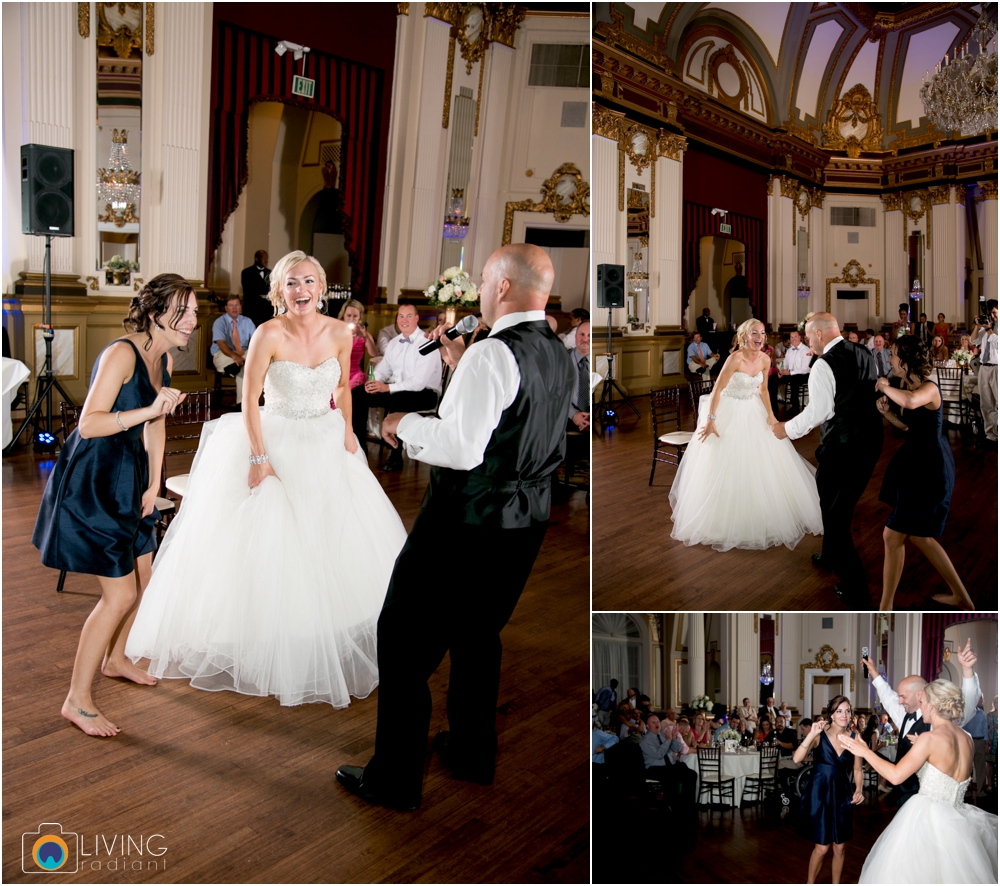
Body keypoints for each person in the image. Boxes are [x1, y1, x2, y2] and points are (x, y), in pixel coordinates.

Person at [335, 243, 576, 811]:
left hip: (466, 520)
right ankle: (471, 751)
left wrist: (402, 422)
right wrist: (458, 370)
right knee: (478, 633)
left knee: (401, 642)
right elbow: (517, 423)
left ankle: (393, 779)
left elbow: (463, 446)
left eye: (484, 284)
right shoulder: (558, 351)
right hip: (527, 521)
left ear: (501, 288)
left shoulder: (494, 355)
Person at [125, 251, 408, 708]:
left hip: (326, 437)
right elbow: (249, 398)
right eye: (292, 283)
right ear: (280, 290)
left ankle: (320, 630)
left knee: (333, 533)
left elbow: (341, 389)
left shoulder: (341, 331)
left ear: (322, 287)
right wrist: (258, 456)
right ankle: (271, 635)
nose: (302, 290)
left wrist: (350, 433)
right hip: (273, 440)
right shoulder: (268, 333)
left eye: (310, 281)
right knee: (273, 539)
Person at [33, 274, 195, 736]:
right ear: (155, 310)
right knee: (120, 594)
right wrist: (148, 411)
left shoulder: (161, 355)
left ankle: (116, 659)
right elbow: (89, 425)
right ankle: (76, 701)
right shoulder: (121, 353)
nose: (192, 322)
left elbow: (157, 426)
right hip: (95, 478)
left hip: (130, 478)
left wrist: (153, 482)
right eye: (183, 312)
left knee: (144, 576)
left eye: (195, 314)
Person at [670, 318, 823, 551]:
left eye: (762, 333)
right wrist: (711, 420)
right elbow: (718, 390)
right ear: (744, 336)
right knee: (729, 461)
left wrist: (771, 416)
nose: (759, 337)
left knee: (763, 459)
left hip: (753, 410)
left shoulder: (764, 358)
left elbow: (762, 389)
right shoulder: (735, 358)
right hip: (729, 410)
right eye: (754, 332)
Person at [838, 679, 998, 883]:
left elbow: (895, 776)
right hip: (959, 819)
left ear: (932, 705)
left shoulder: (929, 739)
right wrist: (922, 746)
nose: (921, 709)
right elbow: (945, 765)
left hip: (929, 819)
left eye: (922, 703)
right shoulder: (965, 737)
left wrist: (865, 752)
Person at [773, 313, 882, 603]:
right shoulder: (863, 351)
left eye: (808, 337)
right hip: (870, 441)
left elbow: (818, 412)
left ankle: (855, 587)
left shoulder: (823, 364)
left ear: (820, 334)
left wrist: (787, 429)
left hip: (844, 446)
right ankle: (830, 554)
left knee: (835, 516)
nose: (808, 342)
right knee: (827, 495)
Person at [874, 336, 973, 611]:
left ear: (906, 361)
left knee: (893, 536)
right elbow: (909, 427)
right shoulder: (907, 384)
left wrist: (884, 385)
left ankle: (885, 607)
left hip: (931, 467)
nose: (891, 360)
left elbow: (911, 401)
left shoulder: (928, 388)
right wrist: (888, 415)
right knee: (917, 536)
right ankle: (962, 598)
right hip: (915, 462)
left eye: (894, 355)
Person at [862, 639, 982, 808]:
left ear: (919, 695)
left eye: (903, 696)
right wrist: (873, 671)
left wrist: (967, 670)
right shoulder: (904, 713)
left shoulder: (942, 720)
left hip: (927, 804)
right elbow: (886, 695)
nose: (899, 701)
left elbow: (967, 703)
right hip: (904, 798)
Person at [793, 696, 864, 884]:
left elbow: (857, 769)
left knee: (840, 848)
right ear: (831, 714)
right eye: (839, 711)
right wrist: (811, 734)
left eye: (848, 710)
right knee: (822, 848)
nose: (844, 714)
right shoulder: (819, 734)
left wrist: (859, 788)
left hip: (842, 795)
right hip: (820, 794)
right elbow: (797, 759)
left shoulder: (855, 737)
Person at [364, 301, 442, 471]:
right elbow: (383, 369)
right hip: (399, 390)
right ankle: (359, 447)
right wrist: (373, 382)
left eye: (408, 316)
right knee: (358, 395)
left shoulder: (426, 342)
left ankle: (396, 455)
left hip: (425, 394)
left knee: (398, 399)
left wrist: (387, 388)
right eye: (401, 316)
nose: (404, 320)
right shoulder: (394, 343)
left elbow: (418, 383)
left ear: (416, 319)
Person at [337, 298, 379, 449]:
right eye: (349, 315)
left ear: (360, 317)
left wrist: (366, 337)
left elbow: (374, 353)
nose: (352, 319)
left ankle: (357, 444)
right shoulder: (337, 332)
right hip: (339, 374)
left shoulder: (363, 335)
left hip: (355, 374)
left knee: (353, 401)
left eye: (355, 316)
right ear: (343, 316)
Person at [639, 713, 698, 807]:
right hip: (654, 768)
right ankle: (673, 806)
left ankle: (686, 804)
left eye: (658, 721)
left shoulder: (663, 735)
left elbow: (677, 749)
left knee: (691, 774)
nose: (657, 724)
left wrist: (674, 738)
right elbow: (659, 755)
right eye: (653, 722)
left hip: (669, 766)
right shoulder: (645, 740)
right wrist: (668, 740)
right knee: (672, 777)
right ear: (647, 726)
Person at [211, 295, 256, 407]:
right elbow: (221, 344)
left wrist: (245, 356)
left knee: (248, 360)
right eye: (231, 305)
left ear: (240, 307)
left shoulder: (247, 321)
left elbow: (256, 341)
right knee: (246, 367)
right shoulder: (219, 322)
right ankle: (243, 403)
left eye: (237, 305)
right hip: (223, 354)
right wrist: (235, 356)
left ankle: (242, 403)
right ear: (226, 308)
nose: (234, 308)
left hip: (243, 354)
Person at [973, 300, 998, 445]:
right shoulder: (986, 326)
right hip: (984, 367)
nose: (992, 317)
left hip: (997, 367)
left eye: (994, 313)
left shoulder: (995, 328)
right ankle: (991, 435)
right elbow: (974, 341)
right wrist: (978, 326)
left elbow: (997, 344)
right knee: (986, 403)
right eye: (990, 314)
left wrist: (989, 329)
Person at [778, 330, 812, 416]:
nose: (793, 339)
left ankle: (795, 407)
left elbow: (806, 369)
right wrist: (782, 371)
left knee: (794, 380)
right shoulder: (789, 351)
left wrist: (790, 373)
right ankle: (773, 405)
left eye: (795, 336)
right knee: (773, 379)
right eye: (791, 337)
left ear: (800, 337)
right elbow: (785, 363)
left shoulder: (805, 350)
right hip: (791, 374)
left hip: (804, 375)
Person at [240, 249, 272, 328]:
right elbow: (249, 291)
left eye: (267, 258)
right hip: (252, 310)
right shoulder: (246, 272)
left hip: (267, 311)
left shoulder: (271, 273)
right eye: (264, 258)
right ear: (256, 259)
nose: (266, 260)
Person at [568, 321, 591, 431]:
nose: (585, 339)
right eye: (582, 334)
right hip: (566, 419)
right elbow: (554, 394)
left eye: (590, 335)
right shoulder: (562, 360)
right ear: (576, 336)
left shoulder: (602, 361)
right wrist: (573, 414)